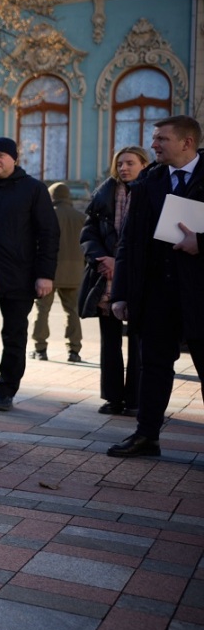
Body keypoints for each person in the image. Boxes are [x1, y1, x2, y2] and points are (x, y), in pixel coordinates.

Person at [109, 115, 204, 458]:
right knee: (154, 367)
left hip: (199, 295)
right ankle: (146, 436)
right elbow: (129, 242)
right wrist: (121, 293)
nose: (154, 144)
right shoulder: (150, 180)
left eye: (162, 139)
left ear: (186, 142)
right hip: (158, 294)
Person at [0, 137, 59, 411]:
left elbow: (49, 233)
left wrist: (45, 274)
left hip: (20, 278)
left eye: (1, 155)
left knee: (14, 336)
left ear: (14, 159)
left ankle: (6, 390)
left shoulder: (34, 190)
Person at [78, 146, 148, 416]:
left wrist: (122, 264)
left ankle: (136, 400)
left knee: (139, 343)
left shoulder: (152, 192)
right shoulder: (104, 194)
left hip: (139, 277)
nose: (123, 168)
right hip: (105, 278)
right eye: (119, 164)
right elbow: (88, 233)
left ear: (144, 164)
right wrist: (103, 259)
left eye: (130, 163)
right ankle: (113, 398)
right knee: (110, 342)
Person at [30, 182, 83, 363]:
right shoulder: (81, 217)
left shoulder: (47, 216)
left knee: (42, 310)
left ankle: (40, 348)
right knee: (72, 311)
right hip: (74, 273)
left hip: (48, 272)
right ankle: (74, 350)